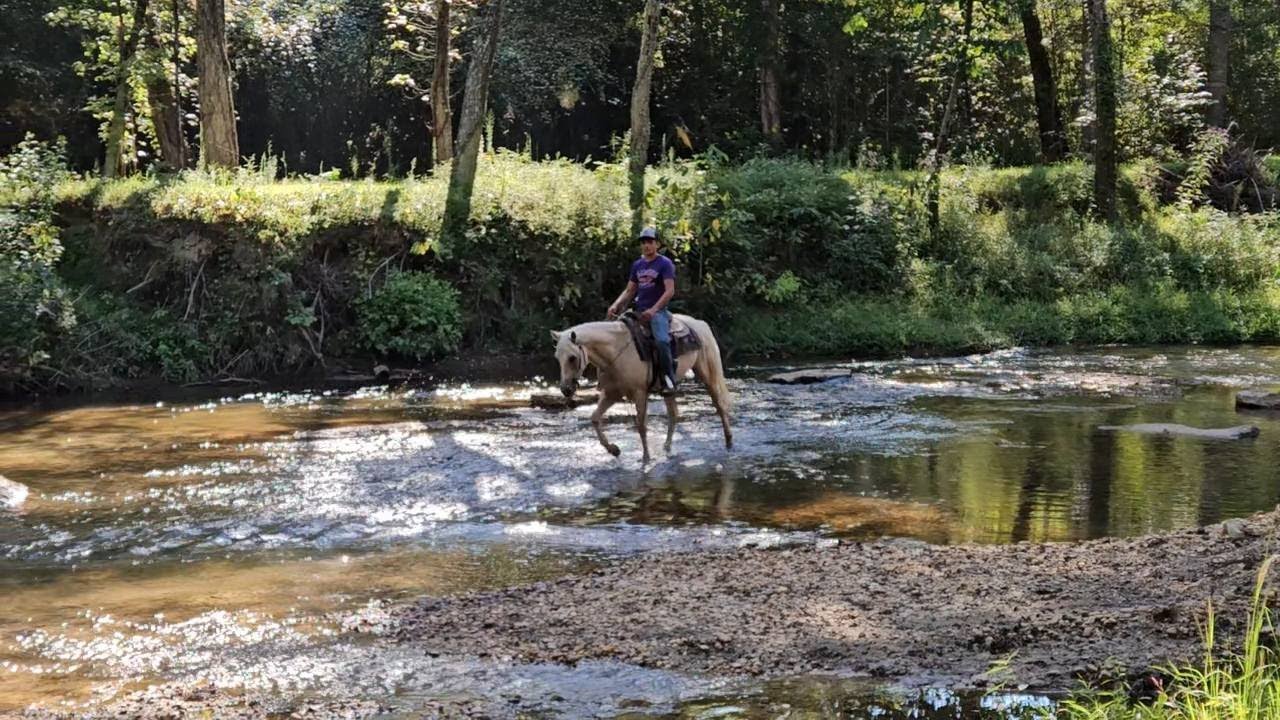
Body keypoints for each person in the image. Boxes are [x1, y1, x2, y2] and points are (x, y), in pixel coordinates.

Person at [607, 226, 677, 395]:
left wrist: (654, 310)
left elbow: (669, 291)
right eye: (644, 242)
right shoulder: (637, 265)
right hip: (638, 310)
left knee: (662, 341)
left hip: (658, 311)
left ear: (657, 244)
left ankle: (669, 379)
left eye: (650, 242)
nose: (646, 245)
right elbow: (630, 290)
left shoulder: (665, 264)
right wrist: (616, 304)